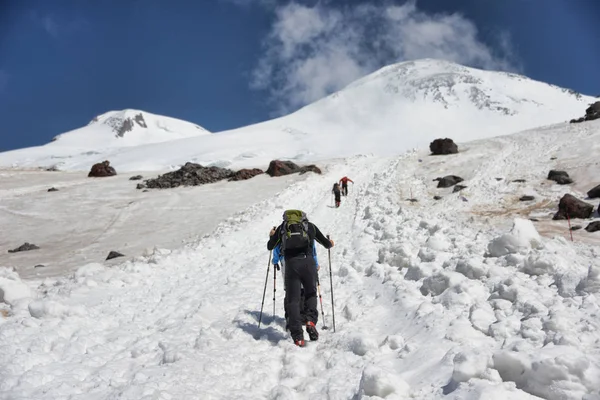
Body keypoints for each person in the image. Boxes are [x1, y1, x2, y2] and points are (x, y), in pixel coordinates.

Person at [267, 210, 334, 347]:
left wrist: (273, 236)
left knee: (293, 299)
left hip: (291, 265)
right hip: (308, 263)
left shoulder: (283, 228)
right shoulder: (310, 226)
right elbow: (326, 244)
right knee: (310, 293)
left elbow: (270, 246)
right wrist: (330, 243)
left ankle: (298, 337)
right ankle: (310, 321)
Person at [272, 240, 320, 330]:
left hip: (286, 260)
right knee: (305, 288)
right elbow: (312, 248)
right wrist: (315, 263)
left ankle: (291, 320)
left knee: (290, 290)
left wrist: (275, 261)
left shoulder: (283, 227)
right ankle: (304, 317)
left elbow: (276, 247)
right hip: (305, 260)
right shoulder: (307, 226)